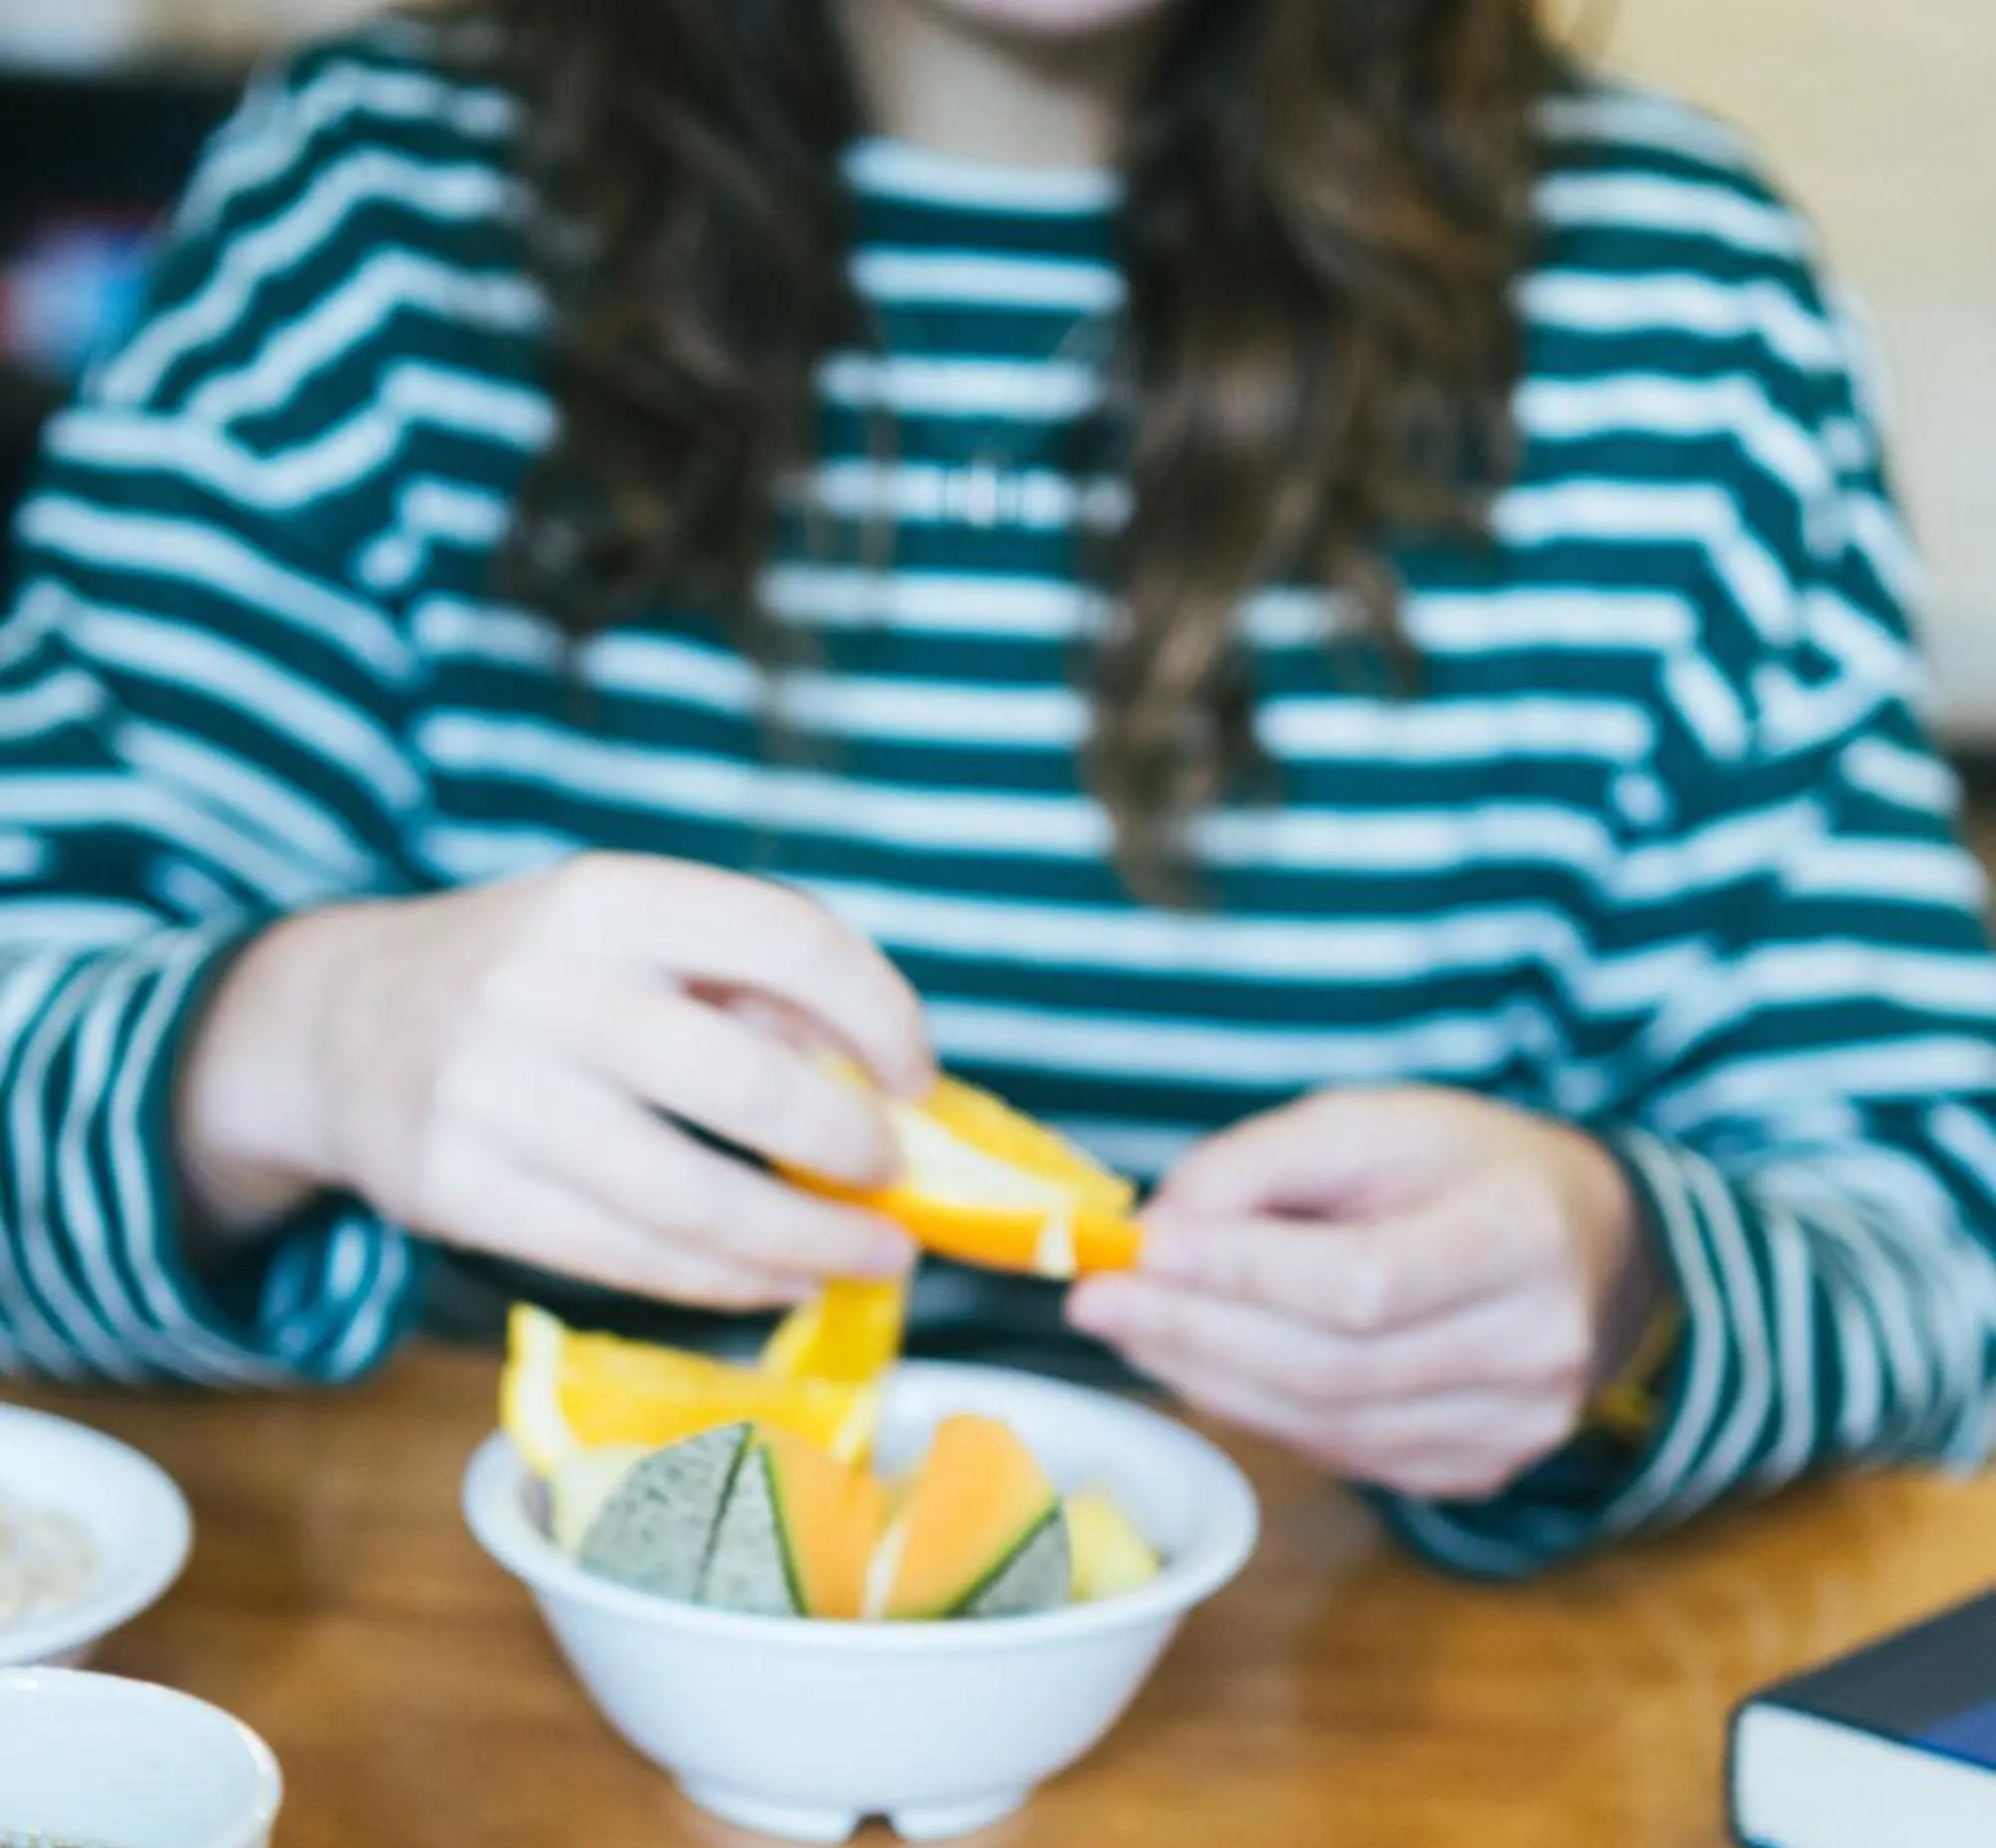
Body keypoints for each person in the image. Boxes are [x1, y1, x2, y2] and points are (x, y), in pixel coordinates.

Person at [1, 0, 1993, 1578]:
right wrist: (300, 1044)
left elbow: (1937, 1266)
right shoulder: (371, 209)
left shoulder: (1673, 302)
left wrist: (1626, 1275)